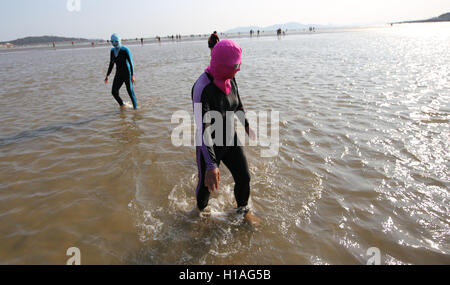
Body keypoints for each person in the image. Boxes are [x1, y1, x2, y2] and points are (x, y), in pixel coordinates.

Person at [191, 40, 260, 226]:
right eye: (236, 65)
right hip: (209, 143)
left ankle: (243, 211)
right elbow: (203, 128)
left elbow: (237, 103)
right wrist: (212, 164)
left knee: (244, 177)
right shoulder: (202, 88)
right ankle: (198, 214)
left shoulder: (230, 77)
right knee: (206, 186)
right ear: (223, 65)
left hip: (230, 138)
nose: (239, 68)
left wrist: (246, 126)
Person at [104, 34, 138, 110]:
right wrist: (107, 75)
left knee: (130, 91)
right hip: (119, 73)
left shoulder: (125, 50)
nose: (114, 43)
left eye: (116, 42)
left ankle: (136, 109)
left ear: (119, 41)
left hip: (127, 73)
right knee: (114, 92)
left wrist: (132, 75)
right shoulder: (112, 51)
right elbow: (111, 63)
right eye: (113, 42)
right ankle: (122, 104)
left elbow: (131, 63)